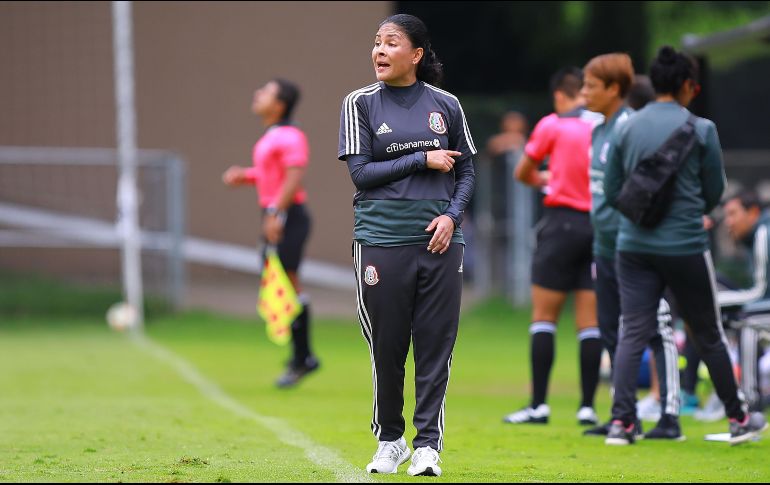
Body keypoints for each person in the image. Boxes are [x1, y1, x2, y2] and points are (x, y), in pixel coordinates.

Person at [603, 45, 767, 446]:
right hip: (685, 245)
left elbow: (612, 192)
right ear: (687, 87)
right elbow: (715, 191)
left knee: (633, 331)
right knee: (707, 332)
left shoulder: (626, 127)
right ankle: (738, 417)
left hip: (633, 246)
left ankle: (622, 423)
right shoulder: (702, 129)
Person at [337, 14, 476, 477]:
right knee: (388, 346)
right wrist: (421, 158)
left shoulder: (446, 104)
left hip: (440, 241)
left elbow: (467, 171)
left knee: (436, 344)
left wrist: (451, 217)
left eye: (390, 43)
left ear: (415, 55)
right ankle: (390, 440)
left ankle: (428, 446)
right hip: (381, 238)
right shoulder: (359, 104)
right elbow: (361, 174)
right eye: (376, 42)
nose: (379, 51)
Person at [580, 53, 683, 440]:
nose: (584, 92)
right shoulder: (598, 131)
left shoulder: (629, 128)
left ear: (614, 89)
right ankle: (625, 414)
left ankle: (670, 415)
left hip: (632, 248)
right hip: (603, 247)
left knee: (655, 328)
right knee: (610, 329)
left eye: (591, 85)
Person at [504, 67, 602, 427]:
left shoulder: (553, 124)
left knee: (544, 318)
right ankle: (587, 406)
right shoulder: (602, 125)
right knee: (589, 323)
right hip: (597, 227)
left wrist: (545, 177)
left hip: (560, 224)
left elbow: (523, 172)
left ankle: (538, 405)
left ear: (560, 94)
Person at [222, 78, 319, 389]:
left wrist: (277, 212)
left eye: (264, 92)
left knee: (286, 284)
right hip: (277, 213)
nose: (257, 93)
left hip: (287, 216)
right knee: (282, 283)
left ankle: (302, 358)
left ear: (279, 105)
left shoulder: (291, 136)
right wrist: (246, 176)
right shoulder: (274, 134)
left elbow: (295, 176)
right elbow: (272, 176)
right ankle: (302, 357)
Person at [719, 189, 770, 412]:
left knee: (747, 321)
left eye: (733, 214)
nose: (728, 222)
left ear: (753, 212)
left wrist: (717, 300)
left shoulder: (763, 233)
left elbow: (761, 292)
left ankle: (749, 403)